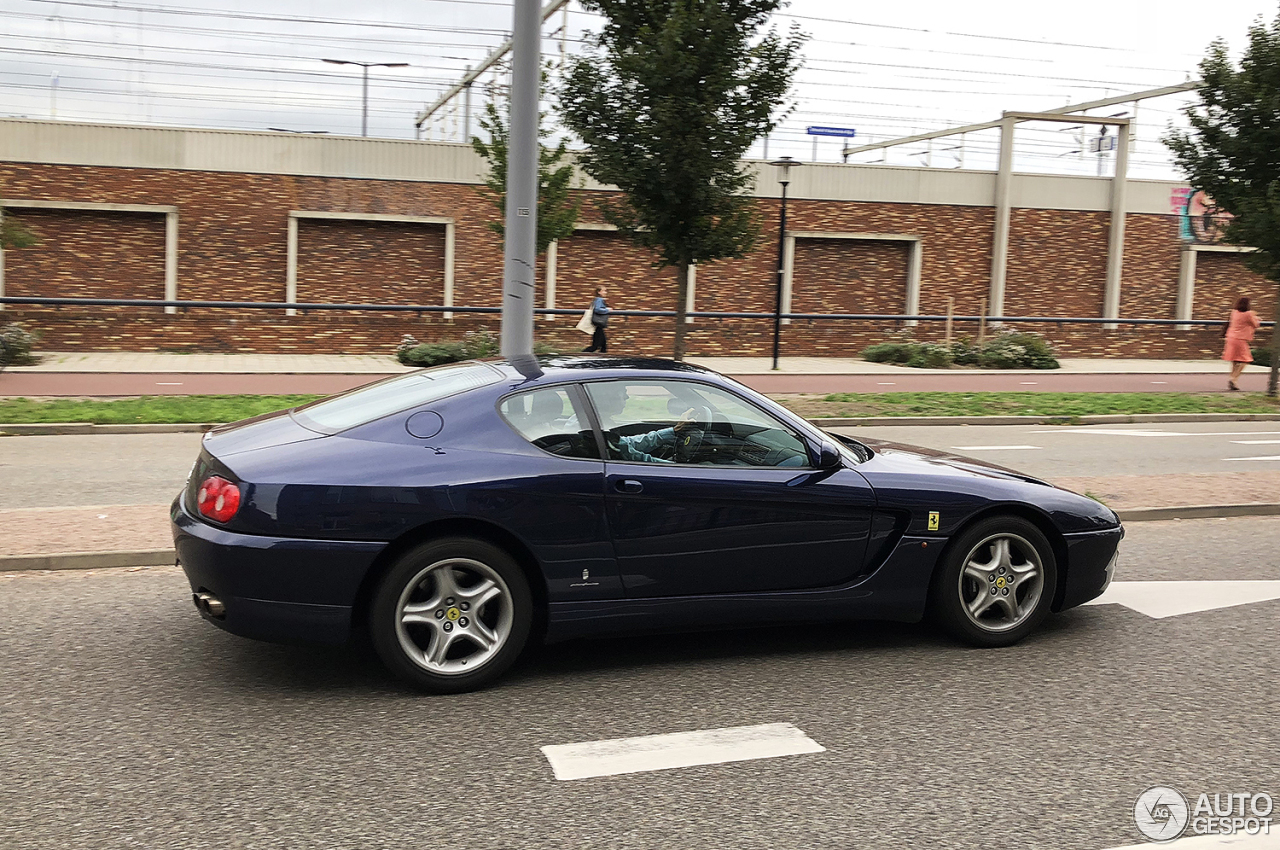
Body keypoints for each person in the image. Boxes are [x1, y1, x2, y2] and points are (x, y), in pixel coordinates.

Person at [1222, 296, 1261, 391]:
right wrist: (1256, 317)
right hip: (1240, 339)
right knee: (1246, 359)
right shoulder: (1248, 314)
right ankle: (1233, 378)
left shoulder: (1234, 312)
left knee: (1235, 360)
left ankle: (1232, 378)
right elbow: (1255, 324)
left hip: (1231, 337)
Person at [583, 286, 610, 353]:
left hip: (598, 324)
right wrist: (607, 310)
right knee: (596, 346)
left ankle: (602, 358)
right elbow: (597, 309)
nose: (605, 292)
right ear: (599, 292)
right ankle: (581, 355)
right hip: (598, 324)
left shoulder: (597, 299)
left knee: (603, 344)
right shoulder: (599, 299)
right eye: (604, 291)